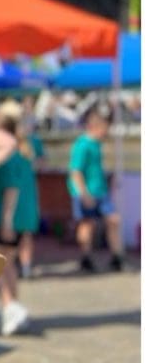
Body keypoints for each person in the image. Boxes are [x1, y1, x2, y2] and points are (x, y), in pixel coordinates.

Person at [0, 102, 34, 336]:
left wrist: (5, 221)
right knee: (8, 262)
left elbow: (10, 190)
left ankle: (8, 305)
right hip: (23, 215)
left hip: (6, 215)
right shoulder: (24, 149)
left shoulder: (5, 154)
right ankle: (11, 304)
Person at [68, 106, 124, 272]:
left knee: (113, 220)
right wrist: (84, 194)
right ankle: (86, 257)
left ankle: (117, 257)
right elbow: (75, 171)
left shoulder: (97, 145)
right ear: (96, 126)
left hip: (101, 191)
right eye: (105, 127)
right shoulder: (82, 145)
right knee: (87, 225)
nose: (107, 132)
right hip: (87, 192)